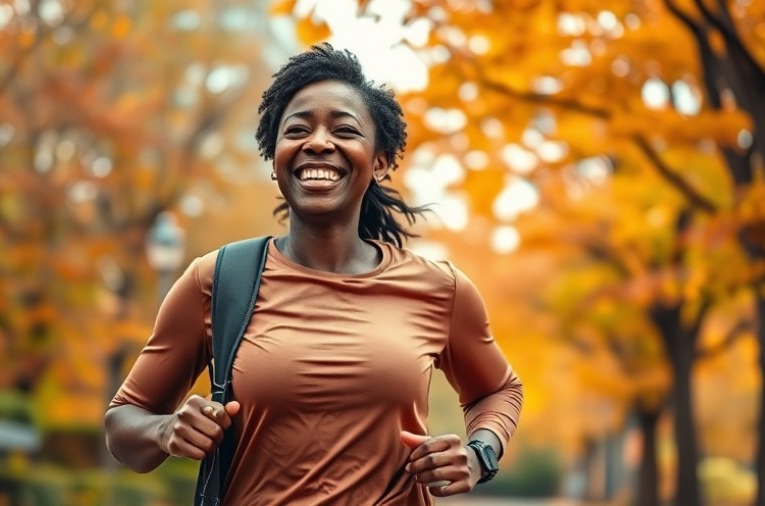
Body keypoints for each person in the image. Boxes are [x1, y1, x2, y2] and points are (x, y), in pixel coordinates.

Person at [105, 43, 523, 505]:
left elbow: (499, 389)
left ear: (380, 161)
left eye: (344, 130)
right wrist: (167, 430)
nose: (319, 141)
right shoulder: (218, 280)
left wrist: (480, 453)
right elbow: (123, 425)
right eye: (298, 129)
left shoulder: (439, 289)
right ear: (275, 156)